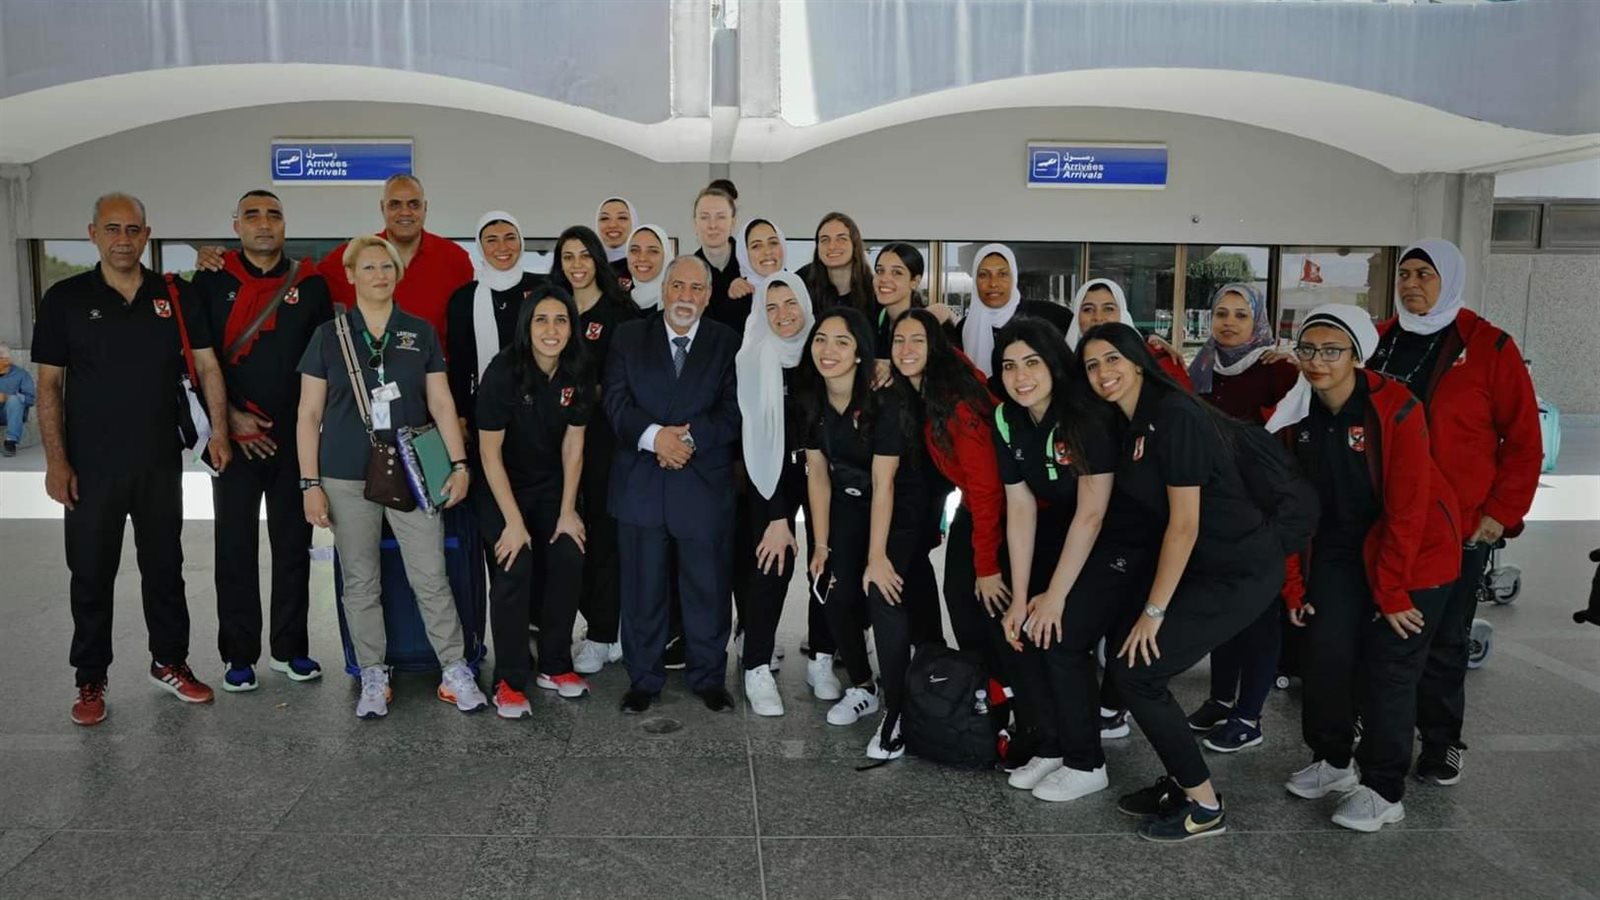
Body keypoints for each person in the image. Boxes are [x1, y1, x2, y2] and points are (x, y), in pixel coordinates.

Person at [1078, 322, 1285, 843]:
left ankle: (1205, 805)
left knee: (1136, 673)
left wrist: (1153, 613)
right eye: (1092, 365)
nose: (1103, 373)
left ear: (1137, 360)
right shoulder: (1132, 421)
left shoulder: (1175, 416)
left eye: (1112, 359)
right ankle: (1181, 783)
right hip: (1203, 567)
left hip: (1239, 569)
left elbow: (1184, 524)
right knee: (1132, 669)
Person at [33, 192, 232, 725]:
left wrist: (218, 431)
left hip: (158, 461)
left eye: (132, 230)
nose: (123, 239)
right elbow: (48, 386)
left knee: (165, 567)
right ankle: (90, 677)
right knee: (90, 573)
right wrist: (56, 462)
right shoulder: (65, 299)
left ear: (146, 235)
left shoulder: (174, 296)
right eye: (112, 228)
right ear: (93, 233)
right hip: (90, 467)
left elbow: (208, 366)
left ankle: (169, 662)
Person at [1267, 304, 1462, 832]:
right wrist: (1294, 586)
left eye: (1332, 350)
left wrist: (1392, 593)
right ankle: (1334, 760)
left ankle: (1384, 788)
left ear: (1357, 355)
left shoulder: (1394, 408)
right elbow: (1289, 509)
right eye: (1308, 349)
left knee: (1388, 666)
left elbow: (1408, 509)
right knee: (1323, 652)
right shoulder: (1294, 418)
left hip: (1417, 552)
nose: (1317, 361)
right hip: (1338, 549)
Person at [1367, 239, 1541, 787]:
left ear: (1450, 279)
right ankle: (1373, 729)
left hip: (1458, 524)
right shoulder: (1379, 340)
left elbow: (1524, 440)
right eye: (1405, 274)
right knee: (1377, 627)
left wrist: (1500, 513)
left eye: (1425, 274)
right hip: (1383, 515)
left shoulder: (1488, 346)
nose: (1411, 284)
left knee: (1443, 638)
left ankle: (1442, 742)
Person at [295, 234, 486, 720]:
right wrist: (309, 484)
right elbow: (308, 414)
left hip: (414, 472)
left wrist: (459, 464)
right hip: (344, 476)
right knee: (360, 581)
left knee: (431, 575)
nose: (379, 275)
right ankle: (373, 673)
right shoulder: (329, 336)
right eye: (369, 267)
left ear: (398, 274)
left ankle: (454, 668)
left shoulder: (419, 332)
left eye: (387, 267)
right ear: (351, 275)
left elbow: (441, 402)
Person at [190, 189, 332, 692]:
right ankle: (239, 655)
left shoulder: (310, 285)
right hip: (232, 440)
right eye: (252, 215)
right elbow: (197, 361)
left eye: (274, 215)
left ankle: (290, 649)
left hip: (294, 440)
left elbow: (324, 364)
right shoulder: (211, 280)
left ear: (285, 225)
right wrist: (230, 420)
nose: (264, 223)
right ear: (237, 226)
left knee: (294, 546)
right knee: (234, 549)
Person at [989, 316, 1133, 803]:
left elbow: (1093, 514)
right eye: (1009, 366)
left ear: (1054, 364)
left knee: (1061, 634)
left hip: (1118, 537)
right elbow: (1020, 506)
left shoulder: (1084, 414)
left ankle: (1086, 762)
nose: (1020, 376)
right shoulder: (1007, 418)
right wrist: (1022, 597)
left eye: (1032, 363)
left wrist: (1055, 597)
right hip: (1067, 530)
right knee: (1019, 627)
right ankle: (1051, 746)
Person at [604, 255, 742, 714]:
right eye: (678, 286)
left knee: (708, 588)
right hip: (641, 484)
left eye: (696, 288)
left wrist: (686, 440)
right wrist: (655, 438)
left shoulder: (727, 342)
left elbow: (733, 411)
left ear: (708, 296)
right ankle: (643, 680)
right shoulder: (628, 337)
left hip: (702, 484)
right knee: (642, 590)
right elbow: (615, 402)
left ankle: (708, 678)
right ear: (664, 290)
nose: (686, 296)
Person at [802, 307, 936, 760]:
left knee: (881, 591)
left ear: (860, 352)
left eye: (842, 342)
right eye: (821, 339)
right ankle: (864, 686)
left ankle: (898, 712)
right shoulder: (812, 398)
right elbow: (818, 475)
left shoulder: (885, 400)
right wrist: (821, 545)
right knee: (831, 588)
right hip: (848, 501)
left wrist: (877, 556)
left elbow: (886, 483)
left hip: (898, 506)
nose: (829, 350)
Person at [1183, 282, 1301, 752]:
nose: (1229, 323)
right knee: (1223, 608)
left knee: (1258, 613)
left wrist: (1297, 363)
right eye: (1221, 313)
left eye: (1240, 315)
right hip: (1215, 508)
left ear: (1258, 322)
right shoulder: (1203, 367)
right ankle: (1220, 699)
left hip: (1260, 510)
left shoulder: (1277, 371)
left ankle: (1249, 715)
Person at [476, 287, 592, 719]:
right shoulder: (503, 371)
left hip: (551, 486)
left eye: (560, 320)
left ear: (571, 327)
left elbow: (574, 445)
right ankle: (508, 680)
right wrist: (513, 522)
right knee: (515, 562)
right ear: (527, 325)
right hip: (502, 485)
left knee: (568, 553)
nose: (551, 329)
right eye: (541, 319)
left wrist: (567, 511)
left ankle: (555, 664)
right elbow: (489, 452)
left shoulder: (578, 369)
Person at [194, 175, 473, 343]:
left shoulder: (456, 259)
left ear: (425, 208)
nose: (405, 212)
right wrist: (223, 259)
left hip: (438, 385)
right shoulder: (349, 255)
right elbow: (286, 278)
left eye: (413, 204)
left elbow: (465, 333)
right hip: (368, 389)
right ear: (382, 208)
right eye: (395, 204)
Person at [886, 308, 1007, 673]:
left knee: (984, 600)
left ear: (934, 347)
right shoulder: (927, 389)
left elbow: (987, 489)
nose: (906, 349)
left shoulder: (958, 404)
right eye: (898, 340)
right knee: (958, 593)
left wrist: (987, 567)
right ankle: (980, 683)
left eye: (917, 340)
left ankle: (1001, 688)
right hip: (973, 505)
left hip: (1005, 510)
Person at [547, 225, 640, 675]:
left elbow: (627, 383)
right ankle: (589, 622)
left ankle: (604, 632)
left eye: (585, 255)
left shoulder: (620, 311)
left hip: (605, 441)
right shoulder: (552, 307)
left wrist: (588, 396)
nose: (577, 265)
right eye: (568, 257)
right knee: (565, 532)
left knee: (603, 537)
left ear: (598, 259)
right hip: (557, 437)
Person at [733, 272, 816, 716]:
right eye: (771, 307)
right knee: (773, 561)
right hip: (768, 472)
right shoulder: (752, 356)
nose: (782, 315)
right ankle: (756, 664)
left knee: (828, 559)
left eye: (790, 303)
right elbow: (754, 440)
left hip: (820, 473)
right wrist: (777, 514)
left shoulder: (821, 349)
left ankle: (824, 655)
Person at [445, 211, 545, 436]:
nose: (502, 247)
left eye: (510, 237)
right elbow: (459, 362)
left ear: (521, 241)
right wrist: (459, 415)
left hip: (541, 407)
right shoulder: (464, 298)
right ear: (480, 246)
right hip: (483, 407)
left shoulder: (543, 289)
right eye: (492, 240)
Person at [929, 243, 1074, 378]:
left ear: (1014, 277)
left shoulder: (1052, 317)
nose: (993, 283)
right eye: (983, 275)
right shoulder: (964, 329)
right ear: (975, 282)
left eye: (1002, 274)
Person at [1066, 278, 1193, 389]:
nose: (1098, 317)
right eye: (1088, 309)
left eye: (1108, 308)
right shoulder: (1062, 362)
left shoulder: (1155, 357)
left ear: (1122, 314)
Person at [796, 212, 875, 317]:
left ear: (855, 244)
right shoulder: (801, 282)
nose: (832, 246)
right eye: (825, 240)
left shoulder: (873, 290)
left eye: (841, 239)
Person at [692, 184, 747, 331]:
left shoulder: (753, 262)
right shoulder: (688, 271)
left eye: (721, 217)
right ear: (695, 223)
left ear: (733, 221)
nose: (712, 225)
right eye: (704, 217)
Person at [625, 224, 671, 313]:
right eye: (635, 250)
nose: (642, 258)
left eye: (653, 251)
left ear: (666, 257)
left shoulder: (678, 303)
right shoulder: (617, 300)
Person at [0, 343, 35, 457]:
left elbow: (31, 399)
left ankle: (10, 442)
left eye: (1, 357)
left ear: (8, 360)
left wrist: (7, 397)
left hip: (10, 413)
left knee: (14, 400)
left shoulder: (21, 375)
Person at [595, 196, 638, 286]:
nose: (612, 225)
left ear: (634, 222)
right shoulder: (587, 264)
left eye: (622, 218)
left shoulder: (643, 265)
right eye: (605, 218)